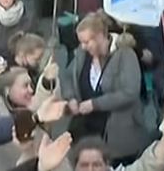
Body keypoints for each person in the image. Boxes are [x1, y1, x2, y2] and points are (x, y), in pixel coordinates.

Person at [62, 12, 146, 165]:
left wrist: (95, 104)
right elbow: (67, 76)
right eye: (81, 42)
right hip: (86, 131)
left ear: (101, 36)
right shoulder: (82, 54)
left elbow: (130, 92)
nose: (83, 46)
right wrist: (71, 98)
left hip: (117, 133)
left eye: (87, 42)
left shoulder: (125, 55)